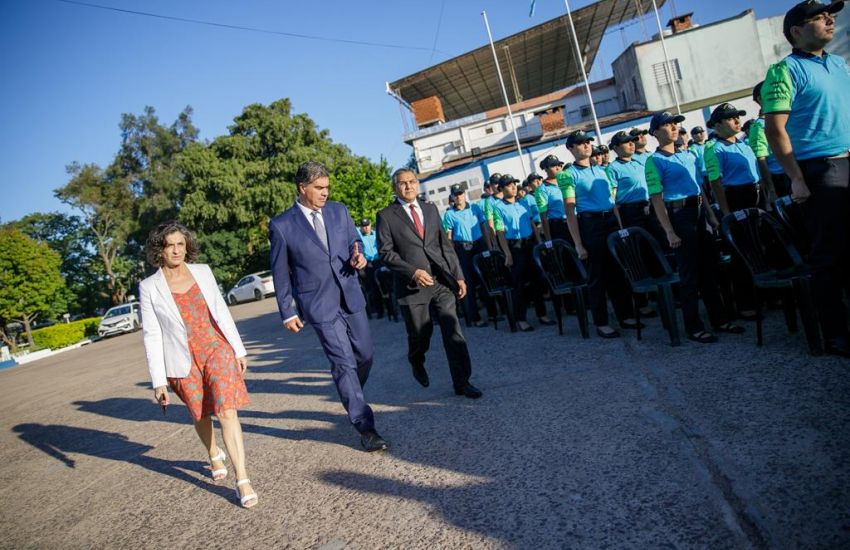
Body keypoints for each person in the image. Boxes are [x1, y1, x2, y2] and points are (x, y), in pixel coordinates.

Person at [268, 161, 387, 452]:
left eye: (327, 187)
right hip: (318, 305)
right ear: (302, 188)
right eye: (319, 188)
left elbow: (353, 241)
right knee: (343, 363)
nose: (325, 193)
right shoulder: (282, 225)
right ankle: (365, 426)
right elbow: (280, 272)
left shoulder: (339, 211)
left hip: (350, 293)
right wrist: (287, 310)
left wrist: (358, 255)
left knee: (365, 355)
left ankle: (349, 390)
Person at [139, 220, 258, 508]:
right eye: (170, 245)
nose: (177, 250)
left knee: (226, 410)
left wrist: (238, 349)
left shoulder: (202, 272)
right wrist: (158, 381)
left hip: (216, 347)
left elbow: (220, 310)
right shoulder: (149, 286)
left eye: (181, 244)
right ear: (160, 250)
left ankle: (242, 479)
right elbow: (152, 334)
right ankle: (213, 452)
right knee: (201, 414)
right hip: (181, 360)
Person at [763, 0, 850, 357]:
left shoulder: (839, 63)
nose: (830, 20)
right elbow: (775, 129)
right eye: (819, 17)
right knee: (830, 255)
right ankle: (835, 334)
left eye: (830, 15)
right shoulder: (784, 71)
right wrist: (795, 177)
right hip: (820, 169)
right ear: (796, 32)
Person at [377, 169, 482, 398]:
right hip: (412, 286)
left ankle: (462, 382)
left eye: (412, 182)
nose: (408, 187)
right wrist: (412, 272)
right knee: (419, 334)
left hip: (440, 281)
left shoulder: (431, 209)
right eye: (402, 183)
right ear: (395, 187)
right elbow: (386, 253)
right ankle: (416, 359)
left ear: (418, 184)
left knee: (452, 330)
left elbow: (445, 246)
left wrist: (458, 275)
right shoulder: (386, 215)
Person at [645, 112, 744, 343]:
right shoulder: (654, 161)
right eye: (667, 125)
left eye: (675, 124)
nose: (673, 128)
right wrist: (669, 230)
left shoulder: (688, 154)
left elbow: (700, 190)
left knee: (710, 270)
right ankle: (693, 326)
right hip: (679, 216)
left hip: (699, 213)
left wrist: (711, 217)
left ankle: (719, 320)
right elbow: (657, 199)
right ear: (655, 132)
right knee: (690, 274)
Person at [559, 130, 639, 338]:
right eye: (580, 143)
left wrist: (620, 227)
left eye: (588, 142)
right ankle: (601, 322)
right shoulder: (568, 174)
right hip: (591, 224)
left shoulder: (602, 171)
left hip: (610, 221)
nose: (586, 146)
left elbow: (613, 203)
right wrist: (578, 243)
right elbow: (570, 210)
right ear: (570, 149)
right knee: (598, 275)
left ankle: (625, 315)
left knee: (618, 271)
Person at [703, 102, 764, 320]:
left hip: (754, 195)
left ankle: (764, 296)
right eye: (731, 118)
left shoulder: (744, 144)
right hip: (735, 198)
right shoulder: (714, 148)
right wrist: (727, 214)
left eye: (738, 117)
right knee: (741, 253)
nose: (737, 121)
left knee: (759, 245)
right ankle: (745, 303)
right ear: (717, 125)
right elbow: (716, 183)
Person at [492, 174, 554, 332]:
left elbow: (532, 223)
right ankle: (521, 319)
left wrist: (539, 243)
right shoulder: (498, 207)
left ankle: (542, 314)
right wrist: (507, 253)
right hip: (515, 246)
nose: (513, 187)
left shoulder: (524, 203)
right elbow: (499, 232)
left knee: (537, 280)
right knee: (518, 284)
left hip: (530, 244)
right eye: (508, 185)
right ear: (501, 188)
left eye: (514, 184)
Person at [442, 184, 491, 328]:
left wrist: (488, 246)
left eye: (460, 193)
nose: (459, 196)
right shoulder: (449, 214)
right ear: (452, 197)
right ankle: (475, 318)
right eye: (455, 194)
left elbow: (484, 227)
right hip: (463, 249)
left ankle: (493, 313)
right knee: (468, 284)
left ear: (464, 193)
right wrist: (452, 257)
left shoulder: (475, 208)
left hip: (479, 245)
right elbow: (449, 237)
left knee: (485, 280)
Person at [750, 81, 790, 199]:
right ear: (760, 99)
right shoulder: (759, 126)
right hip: (781, 178)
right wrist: (771, 189)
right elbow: (761, 159)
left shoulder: (783, 118)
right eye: (771, 92)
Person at [536, 154, 569, 241]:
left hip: (576, 221)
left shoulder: (567, 180)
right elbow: (544, 216)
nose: (557, 167)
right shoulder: (542, 189)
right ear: (546, 169)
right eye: (553, 166)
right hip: (560, 227)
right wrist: (549, 239)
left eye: (558, 165)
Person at [358, 219, 384, 319]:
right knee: (374, 288)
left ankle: (391, 307)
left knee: (385, 284)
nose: (366, 227)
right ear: (361, 227)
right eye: (363, 226)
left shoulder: (376, 234)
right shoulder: (359, 236)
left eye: (367, 225)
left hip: (379, 261)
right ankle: (379, 311)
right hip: (368, 264)